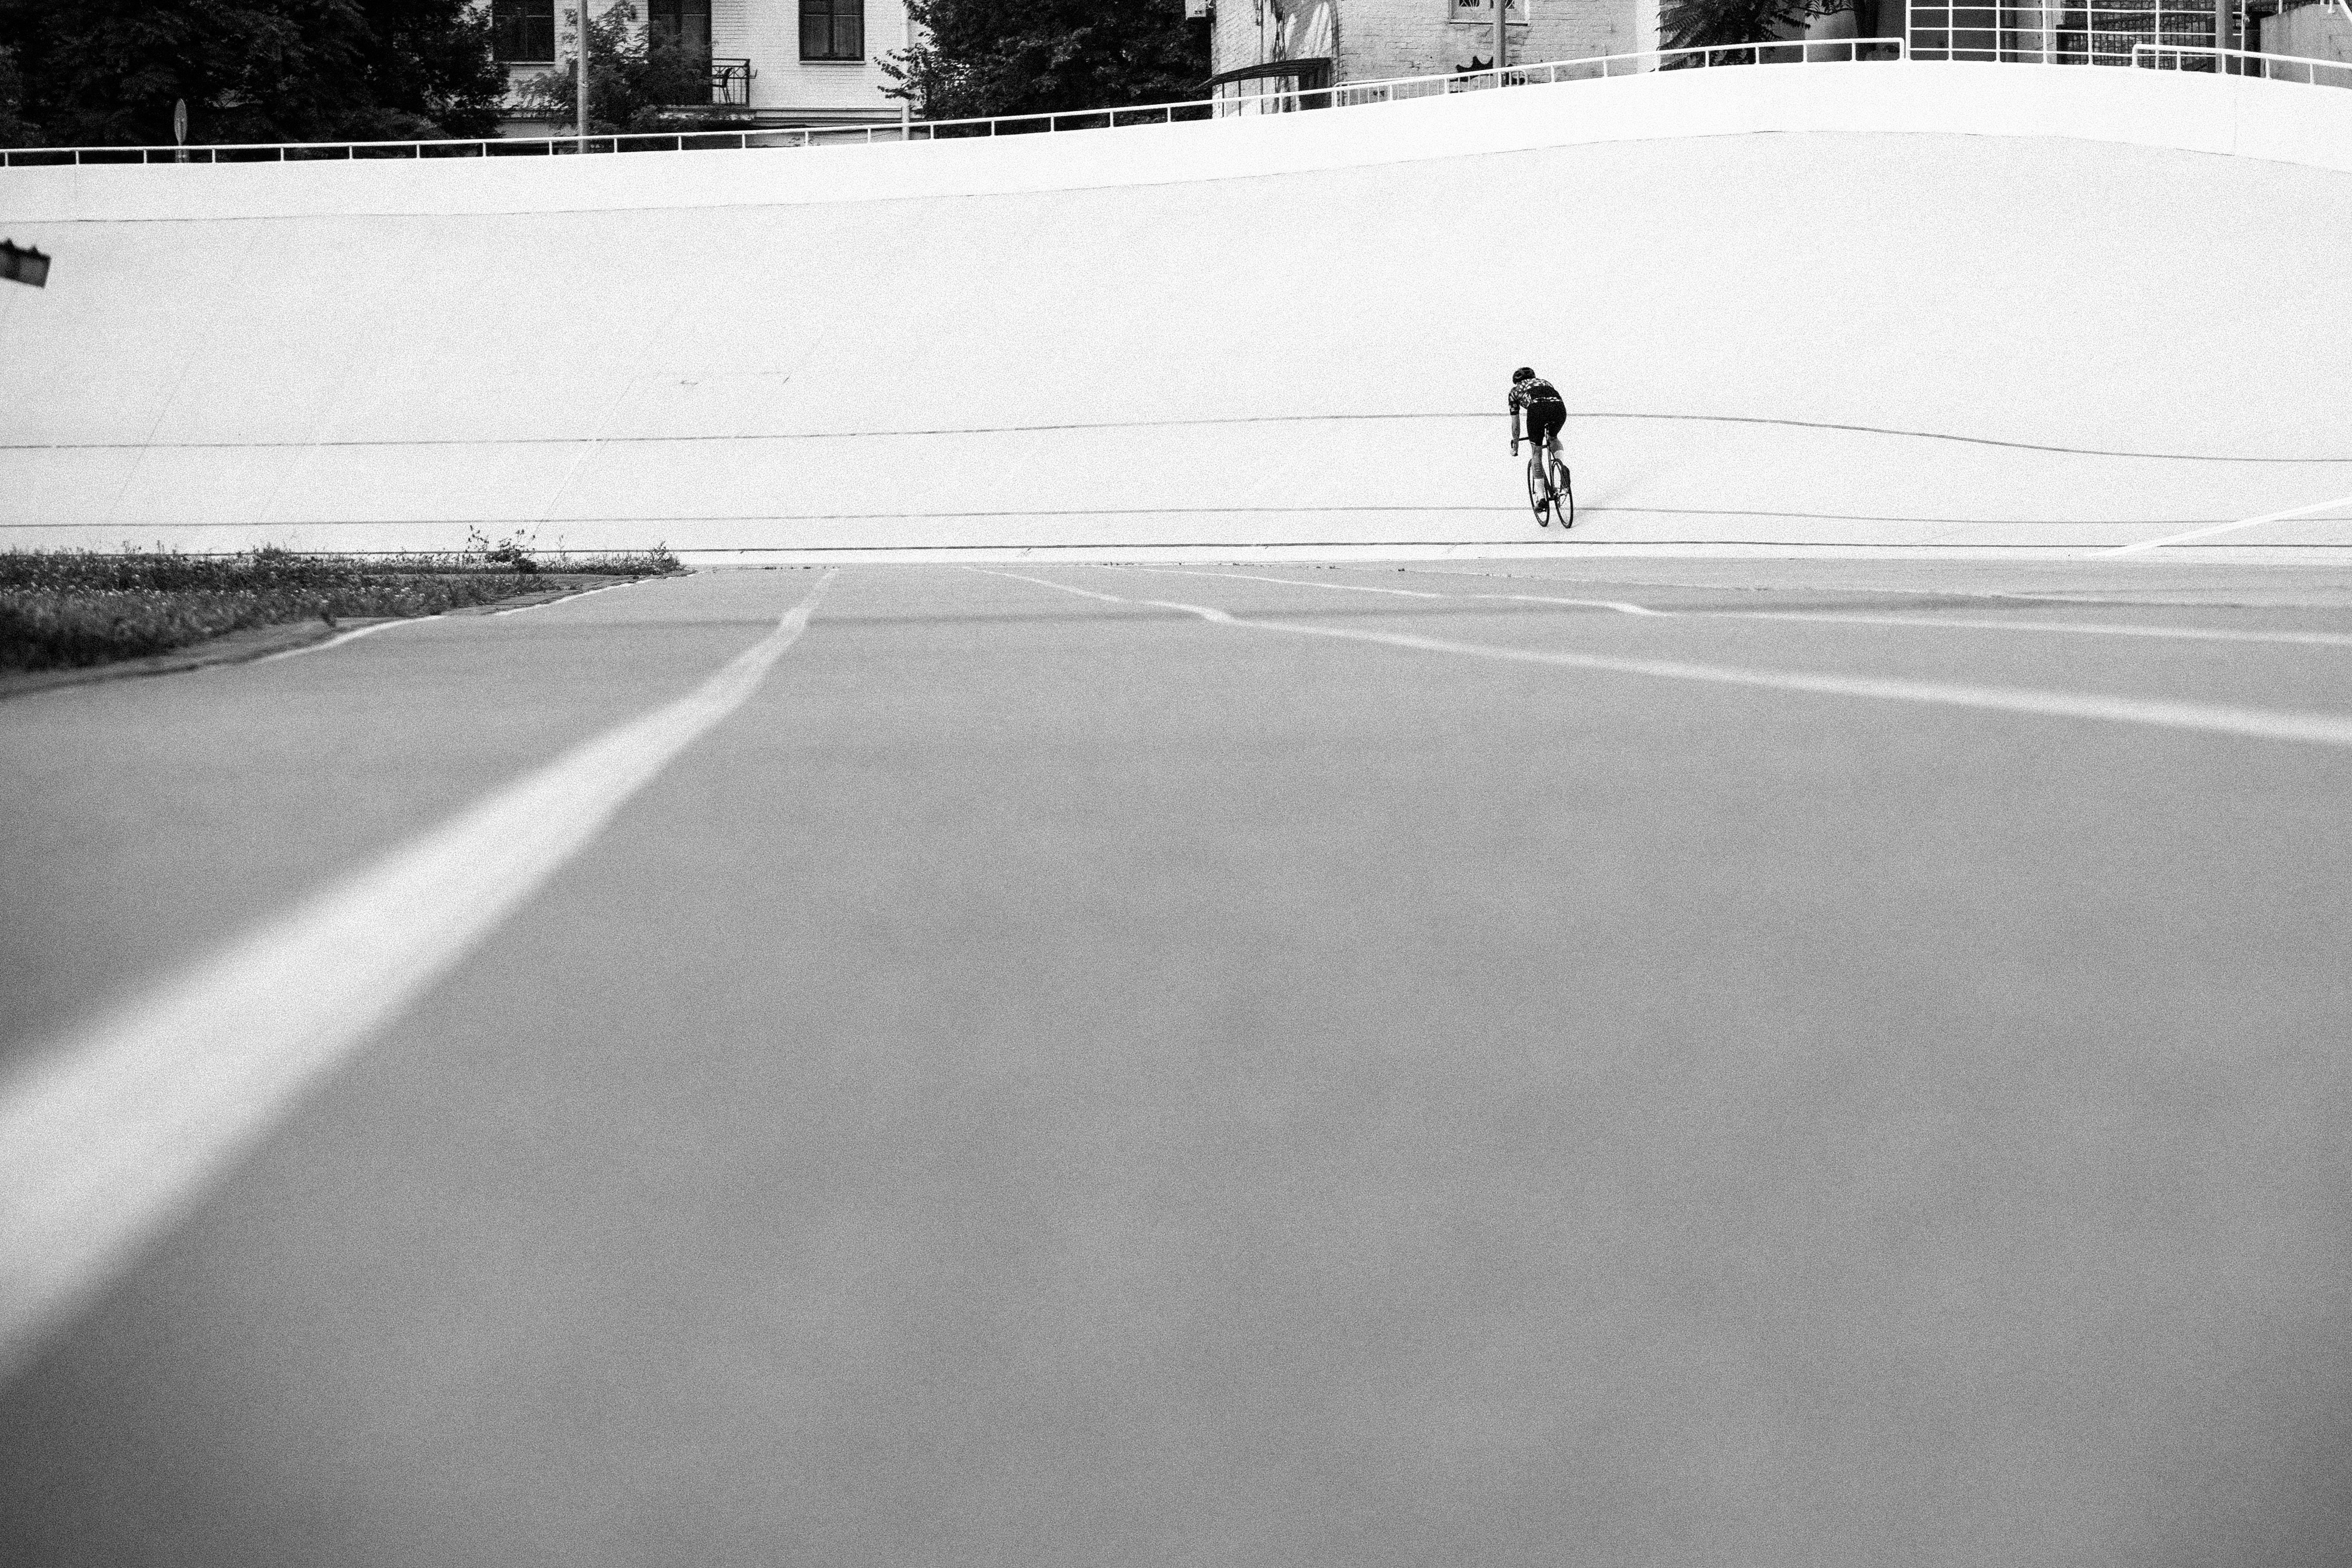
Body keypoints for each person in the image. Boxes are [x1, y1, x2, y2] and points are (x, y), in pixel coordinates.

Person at [1507, 366, 1566, 466]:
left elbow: (1515, 423)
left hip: (1537, 410)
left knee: (1536, 452)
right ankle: (1561, 467)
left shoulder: (1515, 391)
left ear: (1516, 381)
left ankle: (1539, 482)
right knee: (1553, 437)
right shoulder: (1545, 382)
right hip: (1559, 408)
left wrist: (1516, 447)